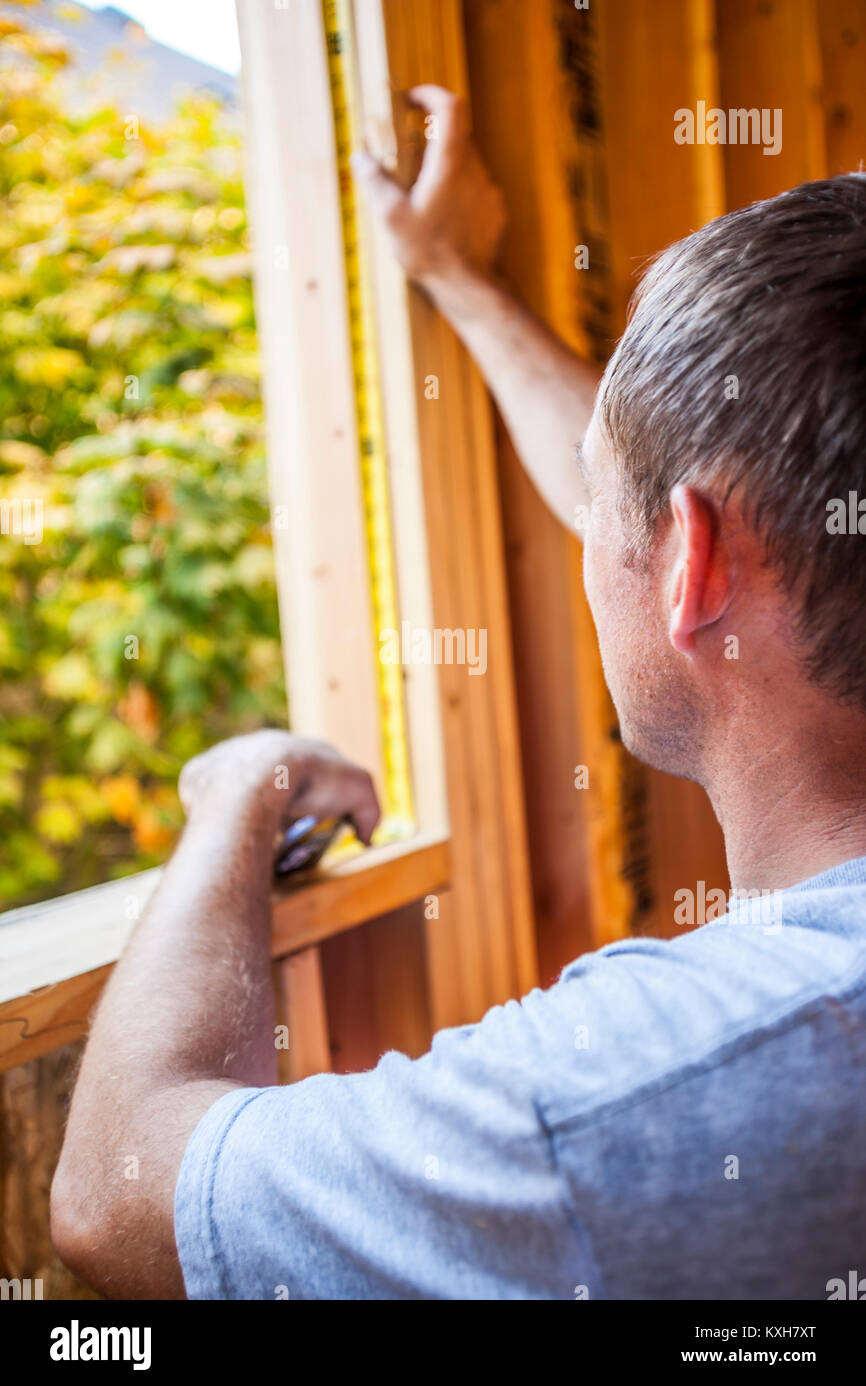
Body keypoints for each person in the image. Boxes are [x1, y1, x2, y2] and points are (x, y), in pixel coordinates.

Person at [51, 87, 866, 1300]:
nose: (590, 526)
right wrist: (459, 282)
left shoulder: (631, 1097)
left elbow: (116, 1194)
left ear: (691, 565)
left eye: (601, 502)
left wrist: (236, 792)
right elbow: (686, 510)